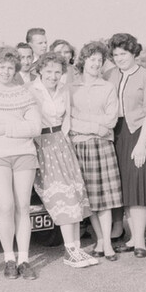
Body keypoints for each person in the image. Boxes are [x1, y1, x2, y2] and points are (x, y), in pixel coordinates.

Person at [29, 52, 97, 268]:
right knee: (63, 197)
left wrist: (65, 140)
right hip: (42, 144)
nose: (53, 76)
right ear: (40, 70)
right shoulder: (31, 90)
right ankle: (69, 250)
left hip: (62, 142)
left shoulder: (63, 89)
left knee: (75, 193)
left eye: (57, 72)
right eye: (48, 71)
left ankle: (75, 247)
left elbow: (66, 117)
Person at [0, 46, 42, 280]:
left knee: (23, 206)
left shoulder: (25, 93)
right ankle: (9, 257)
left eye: (10, 67)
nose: (6, 71)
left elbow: (35, 128)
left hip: (24, 154)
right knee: (5, 206)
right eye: (1, 67)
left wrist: (7, 129)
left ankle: (24, 259)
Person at [106, 33, 146, 258]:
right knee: (125, 188)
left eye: (124, 54)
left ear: (134, 53)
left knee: (138, 188)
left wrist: (141, 145)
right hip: (115, 134)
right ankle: (131, 237)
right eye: (116, 54)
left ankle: (139, 241)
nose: (120, 58)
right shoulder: (109, 75)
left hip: (138, 133)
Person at [68, 41, 122, 261]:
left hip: (102, 146)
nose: (96, 64)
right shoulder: (71, 87)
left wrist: (86, 122)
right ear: (84, 60)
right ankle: (100, 239)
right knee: (90, 199)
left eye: (99, 60)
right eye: (92, 59)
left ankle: (107, 243)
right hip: (80, 146)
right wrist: (94, 126)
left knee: (105, 198)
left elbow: (110, 120)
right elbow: (69, 121)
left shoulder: (108, 87)